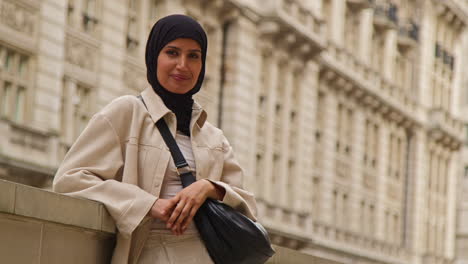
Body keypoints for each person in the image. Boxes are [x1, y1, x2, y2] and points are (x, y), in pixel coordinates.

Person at [53, 14, 258, 264]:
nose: (183, 65)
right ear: (153, 57)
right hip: (149, 253)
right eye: (172, 52)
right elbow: (70, 180)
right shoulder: (127, 112)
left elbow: (248, 207)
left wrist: (208, 188)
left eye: (193, 56)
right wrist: (149, 205)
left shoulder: (214, 137)